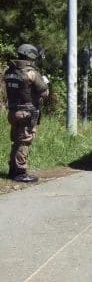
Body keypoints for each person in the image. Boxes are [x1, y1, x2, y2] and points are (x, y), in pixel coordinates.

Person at [4, 44, 49, 182]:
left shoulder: (9, 71)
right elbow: (44, 92)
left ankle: (13, 170)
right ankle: (20, 173)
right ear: (30, 56)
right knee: (24, 142)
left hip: (13, 112)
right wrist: (45, 82)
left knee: (16, 141)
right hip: (27, 113)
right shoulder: (31, 73)